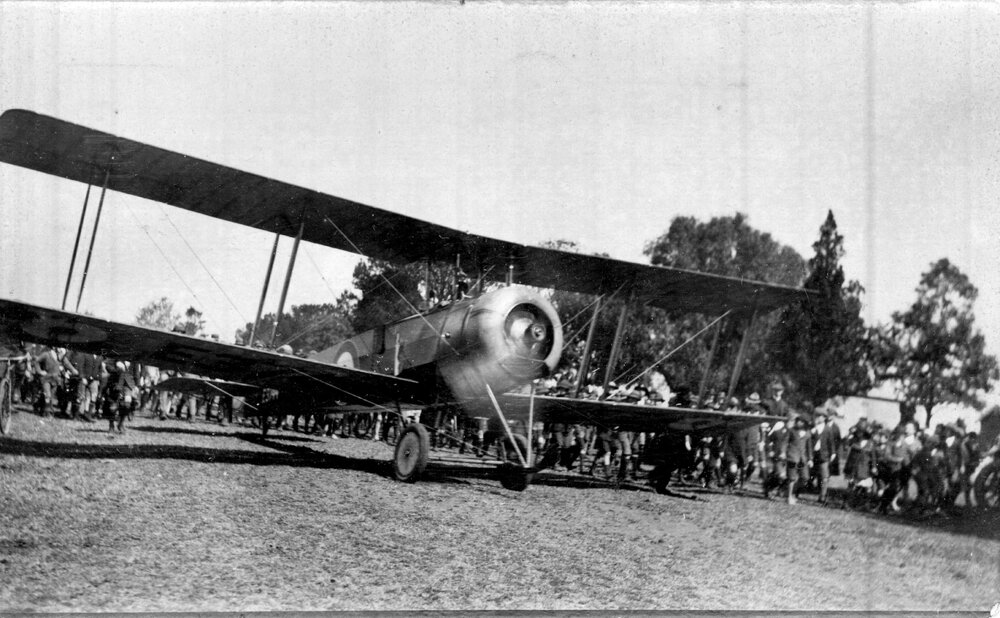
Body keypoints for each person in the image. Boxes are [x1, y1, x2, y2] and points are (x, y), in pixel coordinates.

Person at [811, 407, 838, 505]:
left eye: (820, 416)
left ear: (824, 418)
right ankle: (796, 492)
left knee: (824, 477)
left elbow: (831, 442)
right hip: (812, 455)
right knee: (807, 474)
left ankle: (822, 496)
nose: (818, 418)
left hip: (824, 456)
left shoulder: (828, 429)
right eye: (816, 416)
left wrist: (833, 453)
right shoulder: (813, 428)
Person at [785, 412, 812, 505]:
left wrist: (810, 459)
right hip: (792, 457)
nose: (798, 423)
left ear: (805, 423)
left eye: (801, 421)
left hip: (802, 459)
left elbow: (809, 447)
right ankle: (789, 497)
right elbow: (785, 442)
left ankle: (792, 493)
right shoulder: (791, 431)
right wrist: (783, 453)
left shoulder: (808, 433)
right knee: (791, 478)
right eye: (797, 421)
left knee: (805, 478)